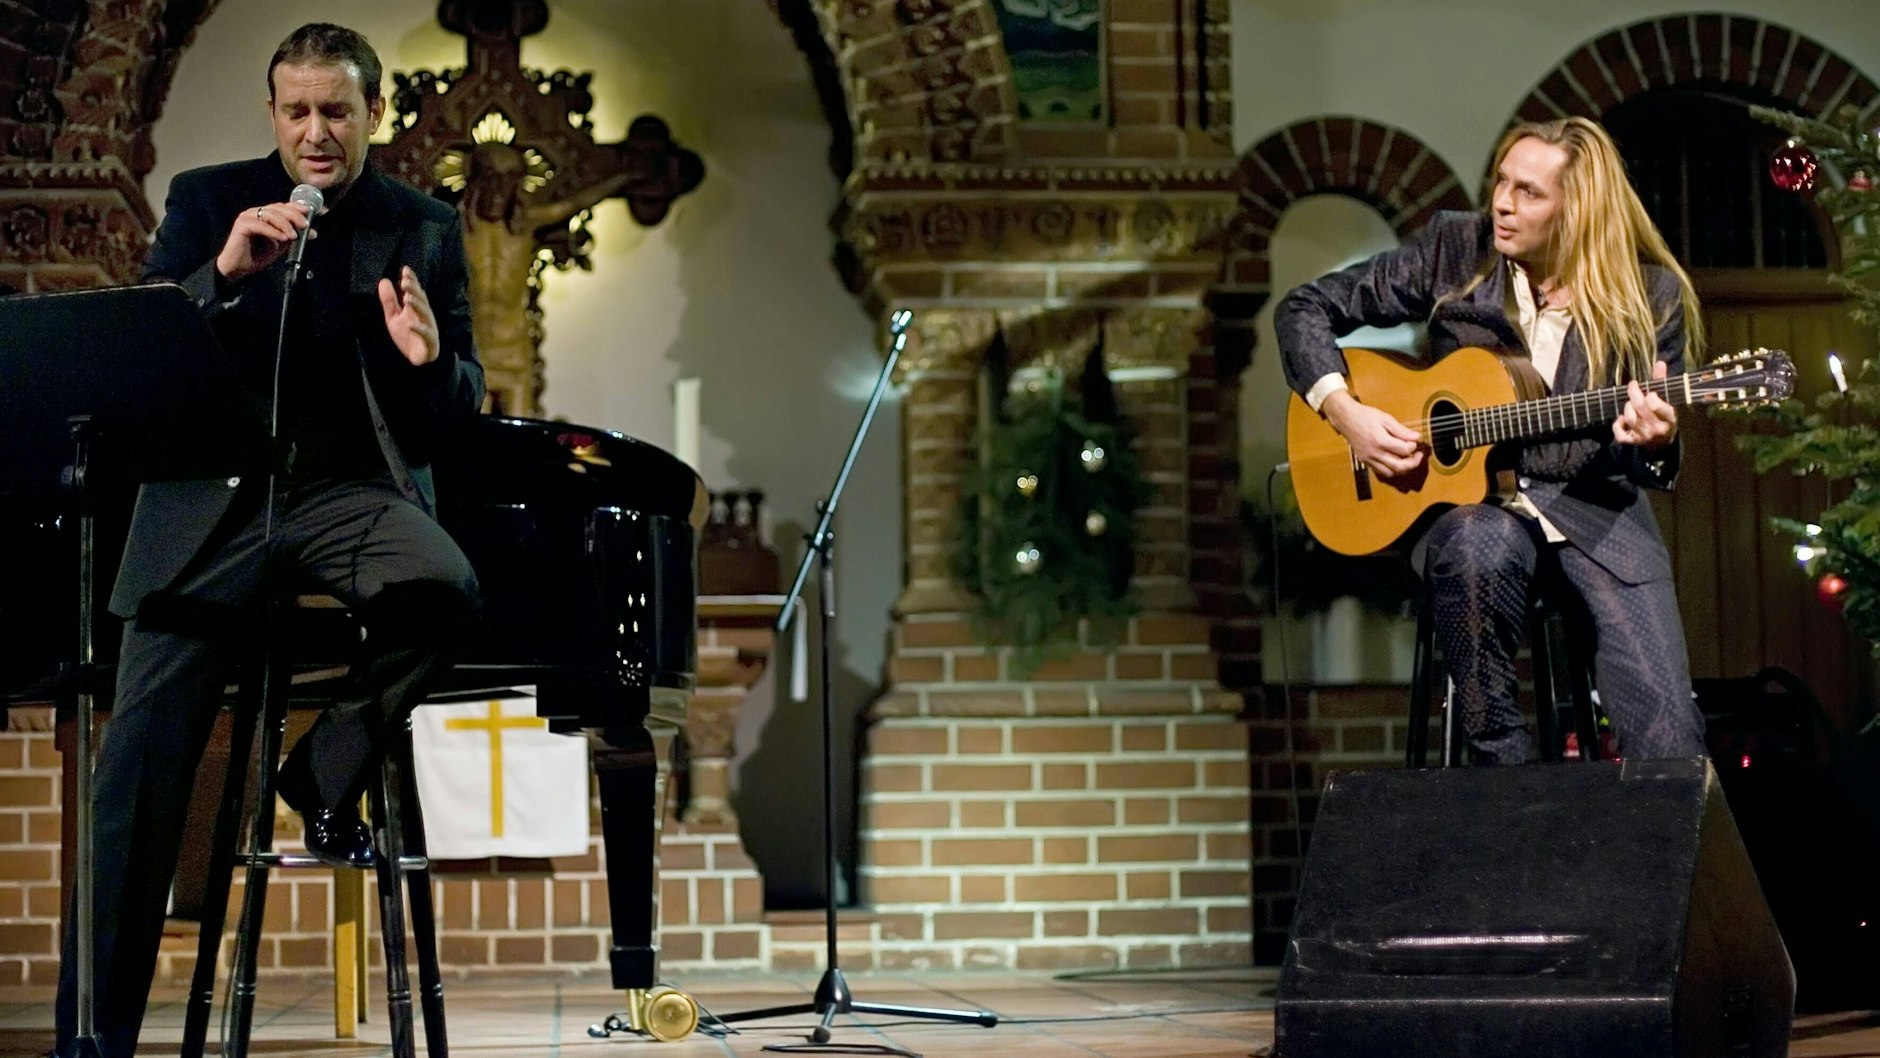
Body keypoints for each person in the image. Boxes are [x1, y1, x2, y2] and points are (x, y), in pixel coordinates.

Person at [55, 23, 483, 1058]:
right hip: (215, 507)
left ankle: (318, 774)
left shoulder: (421, 225)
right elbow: (145, 346)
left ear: (373, 113)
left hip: (347, 496)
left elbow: (456, 408)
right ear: (273, 113)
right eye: (296, 110)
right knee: (137, 773)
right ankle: (95, 1039)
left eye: (336, 110)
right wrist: (222, 274)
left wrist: (426, 362)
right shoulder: (211, 201)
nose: (315, 132)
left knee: (444, 587)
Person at [1276, 115, 1707, 765]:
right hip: (1465, 514)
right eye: (1501, 182)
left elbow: (1637, 459)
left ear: (1577, 210)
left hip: (1595, 513)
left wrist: (1650, 441)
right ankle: (1504, 785)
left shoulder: (1651, 297)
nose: (1502, 203)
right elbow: (1303, 308)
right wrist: (1344, 411)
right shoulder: (1457, 248)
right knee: (1482, 546)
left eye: (1529, 192)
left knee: (1672, 735)